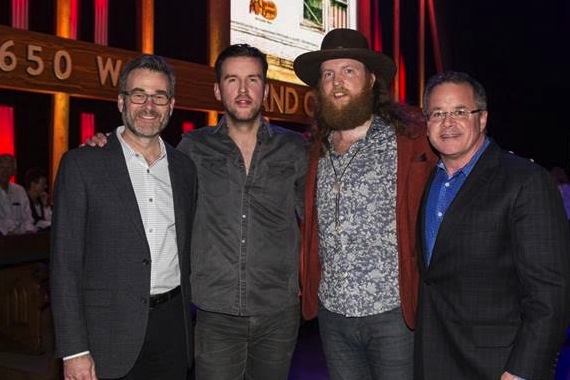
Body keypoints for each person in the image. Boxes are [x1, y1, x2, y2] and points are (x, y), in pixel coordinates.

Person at [86, 44, 308, 380]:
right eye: (233, 80)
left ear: (266, 88)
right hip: (215, 314)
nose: (244, 90)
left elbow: (317, 220)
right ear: (218, 90)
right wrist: (106, 146)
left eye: (253, 80)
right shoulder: (192, 148)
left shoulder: (295, 148)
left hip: (278, 311)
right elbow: (144, 170)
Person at [294, 28, 438, 379]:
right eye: (328, 74)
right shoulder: (314, 150)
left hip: (394, 314)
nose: (337, 82)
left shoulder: (411, 143)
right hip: (333, 314)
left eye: (348, 71)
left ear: (371, 80)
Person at [415, 71, 570, 380]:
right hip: (433, 358)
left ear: (482, 118)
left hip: (498, 367)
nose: (448, 123)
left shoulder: (526, 181)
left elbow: (550, 293)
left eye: (460, 111)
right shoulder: (427, 179)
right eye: (437, 113)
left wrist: (523, 370)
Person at [50, 55, 198, 380]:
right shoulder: (83, 164)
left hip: (173, 330)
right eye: (138, 94)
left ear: (171, 105)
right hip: (107, 334)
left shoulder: (185, 170)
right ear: (121, 101)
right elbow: (65, 264)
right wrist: (74, 350)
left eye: (159, 96)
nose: (149, 105)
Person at [0, 153, 36, 235]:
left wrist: (29, 231)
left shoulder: (19, 190)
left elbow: (28, 218)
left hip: (19, 239)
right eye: (2, 167)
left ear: (14, 171)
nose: (5, 171)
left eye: (9, 168)